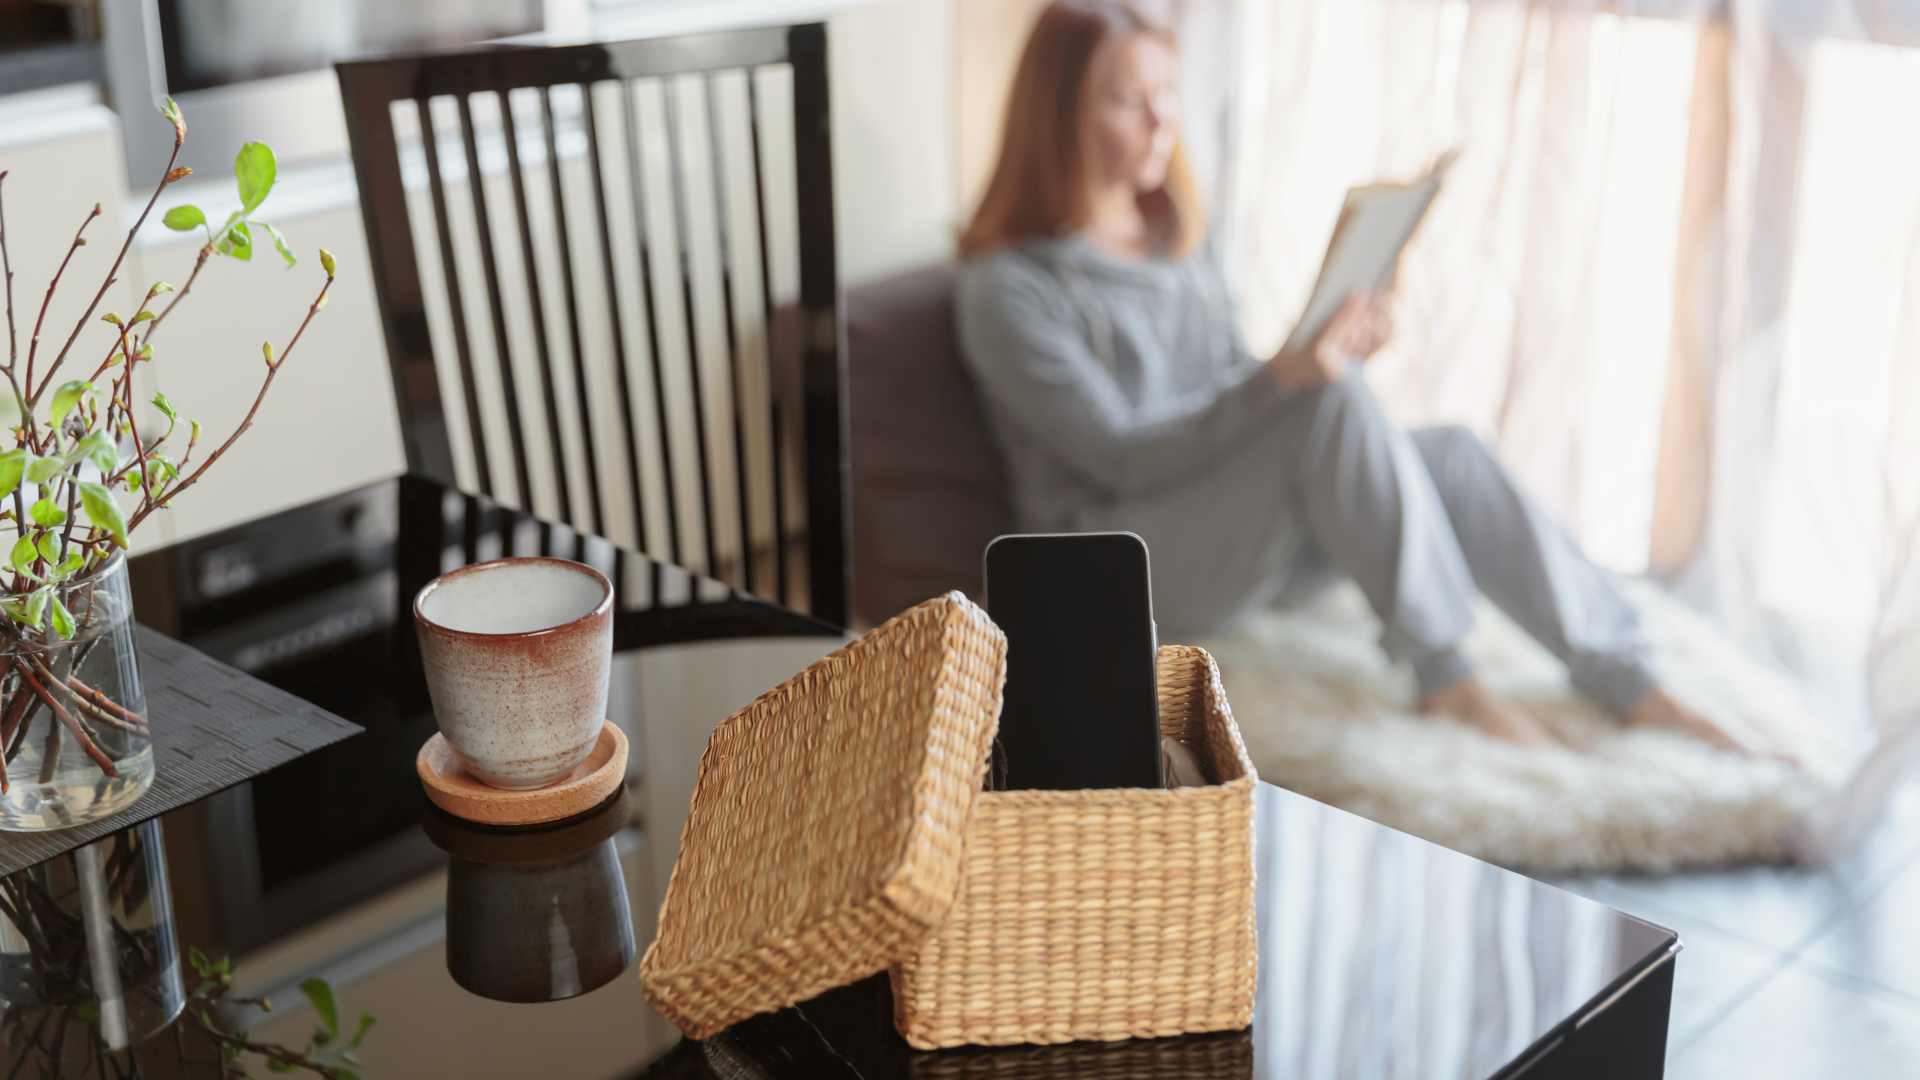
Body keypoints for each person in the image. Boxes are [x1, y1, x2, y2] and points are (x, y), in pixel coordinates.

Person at [955, 0, 1749, 750]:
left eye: (1167, 92)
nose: (1165, 121)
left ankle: (1630, 678)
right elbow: (1120, 456)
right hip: (1115, 565)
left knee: (1450, 456)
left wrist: (1323, 348)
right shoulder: (1009, 288)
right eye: (1131, 101)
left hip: (1229, 534)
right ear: (1058, 120)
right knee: (1318, 404)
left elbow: (1230, 388)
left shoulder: (1175, 236)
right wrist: (1289, 381)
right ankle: (1447, 675)